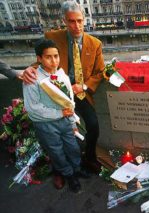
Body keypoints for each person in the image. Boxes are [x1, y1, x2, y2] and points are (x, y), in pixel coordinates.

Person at [23, 1, 105, 188]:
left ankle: (88, 158)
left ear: (84, 20)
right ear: (64, 22)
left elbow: (100, 72)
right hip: (54, 93)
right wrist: (29, 69)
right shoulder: (52, 36)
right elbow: (42, 60)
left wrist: (83, 86)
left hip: (79, 93)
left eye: (79, 21)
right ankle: (59, 170)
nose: (76, 26)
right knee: (54, 139)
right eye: (71, 21)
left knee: (93, 126)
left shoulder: (95, 43)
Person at [23, 39, 90, 193]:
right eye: (48, 57)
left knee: (72, 147)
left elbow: (69, 101)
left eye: (56, 56)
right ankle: (69, 175)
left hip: (65, 120)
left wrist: (72, 122)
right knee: (56, 151)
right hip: (46, 124)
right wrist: (59, 113)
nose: (54, 61)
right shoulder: (32, 79)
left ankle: (77, 168)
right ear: (39, 59)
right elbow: (33, 108)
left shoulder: (62, 75)